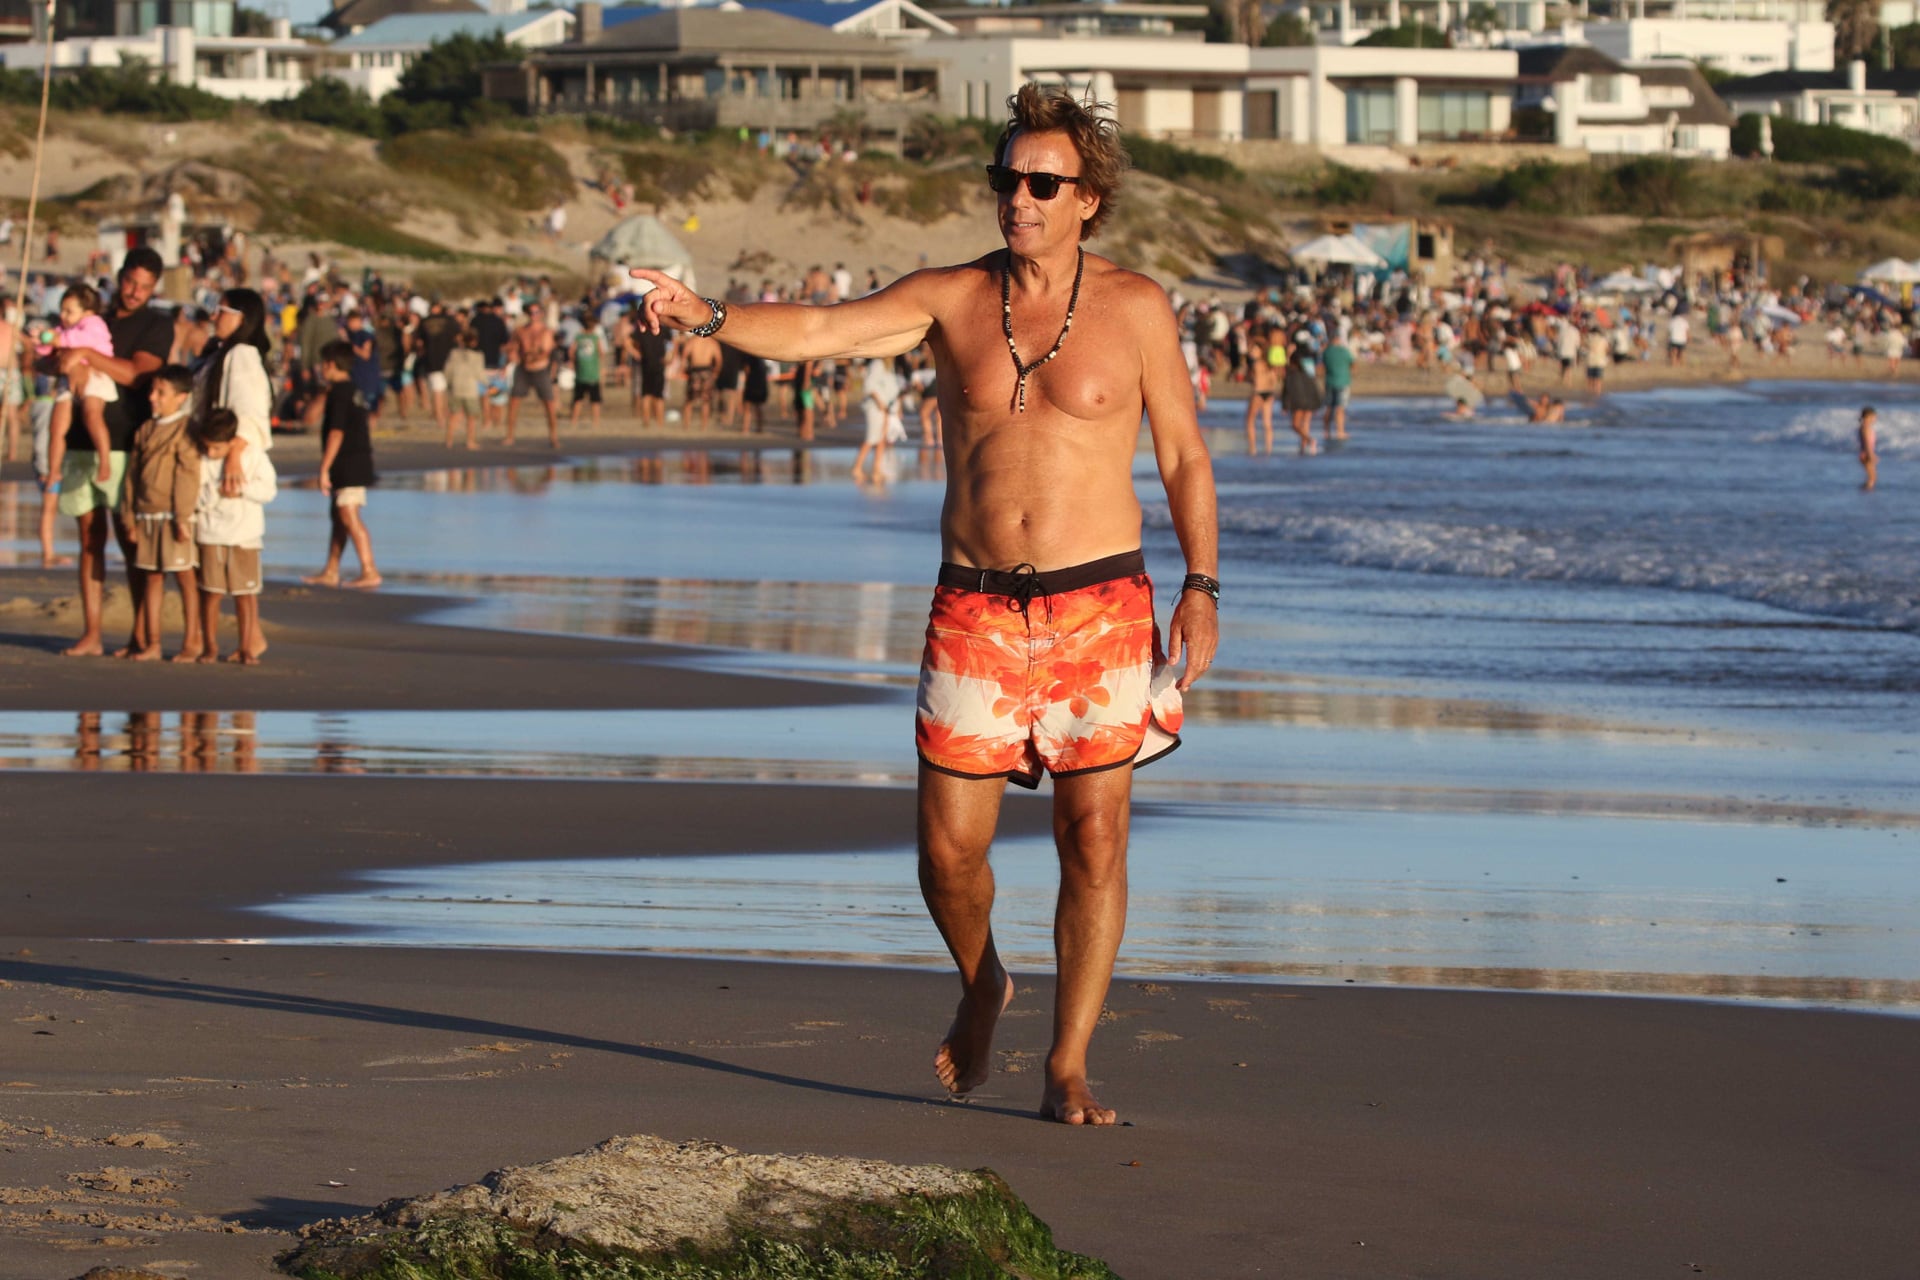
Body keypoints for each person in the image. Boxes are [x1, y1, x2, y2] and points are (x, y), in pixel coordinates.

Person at [630, 82, 1219, 1126]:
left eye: (1043, 182)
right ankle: (984, 979)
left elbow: (1181, 453)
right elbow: (819, 329)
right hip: (977, 611)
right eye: (1007, 179)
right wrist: (707, 311)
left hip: (1102, 609)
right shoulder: (952, 298)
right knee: (946, 853)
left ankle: (1068, 1062)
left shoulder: (1136, 308)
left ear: (1089, 198)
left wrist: (1202, 586)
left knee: (1096, 841)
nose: (1019, 198)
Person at [48, 247, 173, 657]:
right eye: (130, 282)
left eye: (144, 287)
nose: (135, 292)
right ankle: (92, 633)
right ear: (119, 276)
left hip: (126, 444)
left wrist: (86, 355)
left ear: (154, 289)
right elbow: (52, 361)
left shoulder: (156, 324)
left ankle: (142, 634)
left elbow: (138, 373)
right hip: (79, 442)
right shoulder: (88, 312)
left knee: (131, 539)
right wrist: (58, 358)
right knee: (89, 538)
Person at [121, 364, 202, 662]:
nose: (153, 397)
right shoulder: (145, 429)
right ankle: (151, 643)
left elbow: (188, 476)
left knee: (185, 578)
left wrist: (182, 518)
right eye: (153, 391)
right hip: (147, 515)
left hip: (174, 516)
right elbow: (131, 478)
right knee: (152, 579)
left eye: (161, 392)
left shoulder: (186, 429)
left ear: (181, 397)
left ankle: (192, 641)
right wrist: (128, 516)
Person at [194, 406, 277, 663]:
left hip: (246, 536)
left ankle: (247, 647)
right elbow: (195, 496)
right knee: (211, 593)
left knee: (246, 595)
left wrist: (242, 489)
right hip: (210, 534)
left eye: (217, 448)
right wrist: (217, 492)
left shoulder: (254, 456)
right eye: (207, 447)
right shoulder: (201, 459)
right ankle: (210, 647)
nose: (211, 453)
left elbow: (268, 490)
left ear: (232, 442)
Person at [303, 340, 381, 589]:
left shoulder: (340, 393)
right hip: (354, 458)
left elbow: (336, 432)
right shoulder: (349, 389)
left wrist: (324, 468)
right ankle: (331, 570)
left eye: (323, 364)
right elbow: (309, 418)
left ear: (330, 364)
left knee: (348, 514)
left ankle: (370, 570)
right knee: (338, 517)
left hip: (349, 461)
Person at [505, 306, 559, 448]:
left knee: (549, 404)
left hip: (540, 369)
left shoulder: (546, 331)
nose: (533, 315)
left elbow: (546, 352)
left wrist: (532, 356)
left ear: (541, 314)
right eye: (530, 312)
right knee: (513, 402)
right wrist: (512, 354)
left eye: (536, 312)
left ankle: (553, 436)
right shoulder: (521, 331)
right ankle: (510, 435)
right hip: (523, 369)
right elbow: (513, 347)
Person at [852, 354, 899, 482]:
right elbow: (869, 385)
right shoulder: (877, 364)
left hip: (885, 407)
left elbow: (890, 386)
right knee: (872, 437)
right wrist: (879, 402)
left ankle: (877, 469)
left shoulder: (889, 366)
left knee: (881, 439)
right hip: (875, 406)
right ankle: (857, 467)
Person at [444, 330, 485, 449]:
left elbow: (448, 370)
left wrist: (449, 383)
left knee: (453, 415)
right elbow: (479, 373)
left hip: (456, 387)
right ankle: (470, 441)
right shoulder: (478, 356)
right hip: (470, 389)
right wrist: (489, 384)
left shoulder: (454, 353)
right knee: (472, 417)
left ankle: (449, 440)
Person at [569, 312, 606, 433]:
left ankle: (574, 421)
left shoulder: (578, 337)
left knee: (578, 399)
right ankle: (596, 422)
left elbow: (571, 352)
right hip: (593, 374)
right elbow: (601, 353)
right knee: (595, 400)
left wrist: (575, 362)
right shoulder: (595, 338)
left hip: (581, 373)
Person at [1244, 326, 1279, 456]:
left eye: (1254, 349)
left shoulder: (1256, 364)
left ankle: (1252, 448)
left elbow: (1251, 379)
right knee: (1267, 423)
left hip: (1258, 392)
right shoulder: (1269, 363)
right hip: (1269, 393)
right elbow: (1274, 380)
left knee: (1250, 421)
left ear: (1259, 351)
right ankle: (1268, 448)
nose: (1251, 352)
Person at [1321, 328, 1353, 442]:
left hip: (1329, 381)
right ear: (1338, 339)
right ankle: (1340, 431)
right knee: (1340, 408)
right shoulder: (1344, 351)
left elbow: (1323, 366)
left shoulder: (1326, 352)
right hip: (1343, 381)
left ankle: (1326, 431)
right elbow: (1352, 364)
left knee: (1329, 407)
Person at [1859, 405, 1879, 492]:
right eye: (1874, 417)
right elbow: (1867, 443)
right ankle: (1866, 491)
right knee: (1872, 478)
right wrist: (1871, 455)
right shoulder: (1865, 429)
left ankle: (1866, 490)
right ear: (1868, 417)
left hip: (1865, 453)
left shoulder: (1864, 428)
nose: (1875, 419)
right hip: (1866, 454)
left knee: (1872, 477)